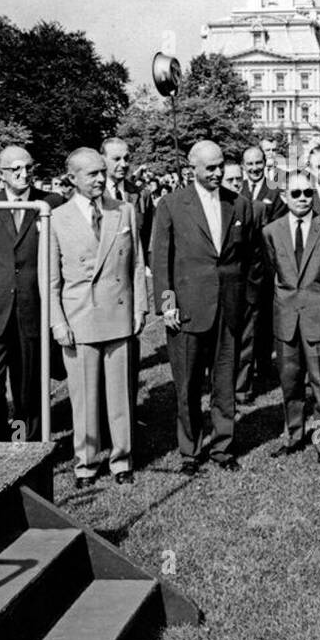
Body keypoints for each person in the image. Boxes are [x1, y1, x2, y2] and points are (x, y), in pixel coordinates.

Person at [151, 140, 255, 474]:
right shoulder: (171, 204)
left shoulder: (239, 204)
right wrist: (168, 305)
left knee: (224, 383)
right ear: (192, 167)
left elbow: (249, 257)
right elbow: (161, 259)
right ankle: (190, 450)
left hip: (228, 309)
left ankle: (223, 446)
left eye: (220, 165)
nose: (217, 172)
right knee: (188, 385)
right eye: (209, 167)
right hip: (187, 310)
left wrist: (245, 301)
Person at [49, 148, 147, 486]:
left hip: (118, 314)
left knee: (120, 394)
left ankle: (122, 461)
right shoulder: (56, 218)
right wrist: (57, 321)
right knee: (84, 398)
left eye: (102, 172)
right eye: (92, 174)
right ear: (72, 177)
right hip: (79, 319)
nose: (101, 179)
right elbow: (50, 280)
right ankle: (86, 464)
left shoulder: (124, 211)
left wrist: (139, 308)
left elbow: (136, 265)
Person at [0, 145, 63, 442]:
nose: (24, 174)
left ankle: (25, 446)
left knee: (28, 389)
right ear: (1, 174)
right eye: (16, 169)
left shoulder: (51, 203)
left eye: (29, 167)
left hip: (33, 309)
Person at [262, 170, 320, 463]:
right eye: (296, 193)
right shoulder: (271, 231)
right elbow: (274, 271)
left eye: (308, 192)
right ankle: (294, 435)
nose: (303, 198)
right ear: (283, 196)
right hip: (286, 320)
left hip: (318, 317)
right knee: (290, 382)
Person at [101, 137, 155, 410]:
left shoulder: (140, 195)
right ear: (102, 160)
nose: (123, 164)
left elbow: (151, 242)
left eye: (126, 158)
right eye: (116, 159)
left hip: (129, 287)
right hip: (98, 289)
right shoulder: (93, 195)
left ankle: (128, 415)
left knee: (129, 353)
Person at [235, 147, 284, 404]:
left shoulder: (275, 192)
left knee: (264, 322)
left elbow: (274, 229)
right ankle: (243, 377)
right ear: (243, 165)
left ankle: (264, 367)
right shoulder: (235, 187)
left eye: (258, 163)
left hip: (265, 268)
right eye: (249, 164)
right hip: (239, 270)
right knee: (245, 325)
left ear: (265, 164)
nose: (254, 168)